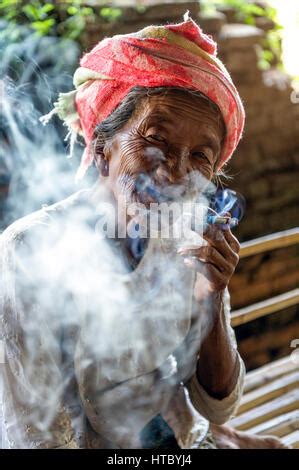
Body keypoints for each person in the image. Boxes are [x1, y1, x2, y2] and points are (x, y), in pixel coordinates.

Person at [0, 16, 286, 449]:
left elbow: (217, 407)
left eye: (199, 158)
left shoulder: (189, 238)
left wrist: (210, 301)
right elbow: (34, 436)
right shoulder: (28, 251)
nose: (175, 173)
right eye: (156, 142)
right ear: (102, 152)